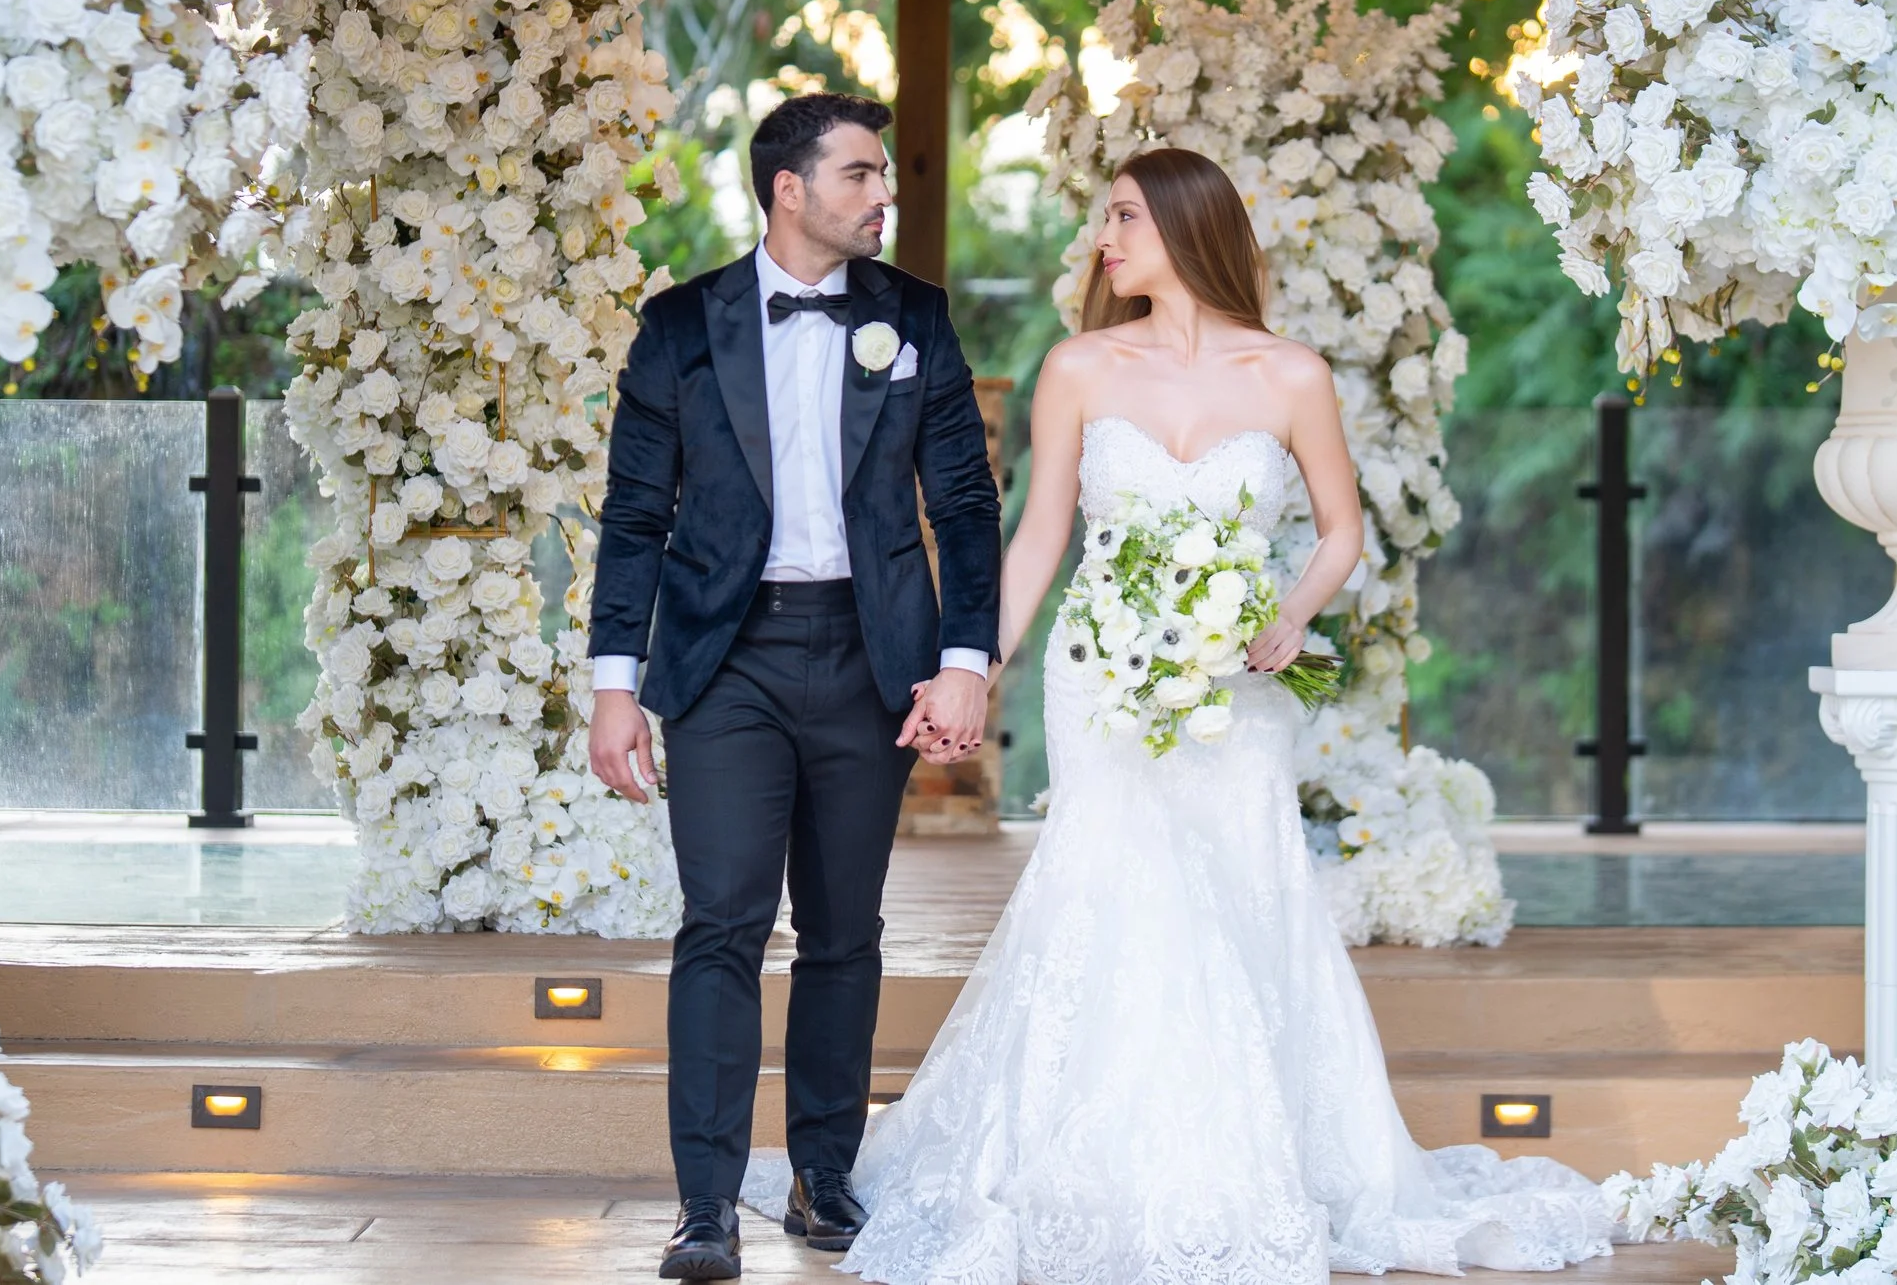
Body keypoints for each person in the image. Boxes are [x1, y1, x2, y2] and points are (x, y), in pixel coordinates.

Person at [845, 147, 1614, 1283]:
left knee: (1243, 893)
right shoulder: (1077, 367)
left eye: (1121, 218)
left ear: (1185, 226)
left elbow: (1342, 529)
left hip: (1238, 685)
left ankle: (1261, 1158)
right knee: (1112, 889)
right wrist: (975, 666)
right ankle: (1087, 1166)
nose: (1102, 240)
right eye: (1105, 218)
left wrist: (1293, 612)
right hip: (1101, 677)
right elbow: (1041, 537)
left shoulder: (1289, 374)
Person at [587, 91, 1002, 1282]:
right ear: (790, 188)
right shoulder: (680, 326)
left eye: (883, 175)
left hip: (870, 657)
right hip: (725, 661)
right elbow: (633, 516)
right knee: (719, 924)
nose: (885, 195)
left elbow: (964, 505)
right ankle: (705, 1204)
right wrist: (618, 684)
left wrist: (961, 660)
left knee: (844, 931)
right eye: (863, 174)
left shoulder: (913, 315)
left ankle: (824, 1179)